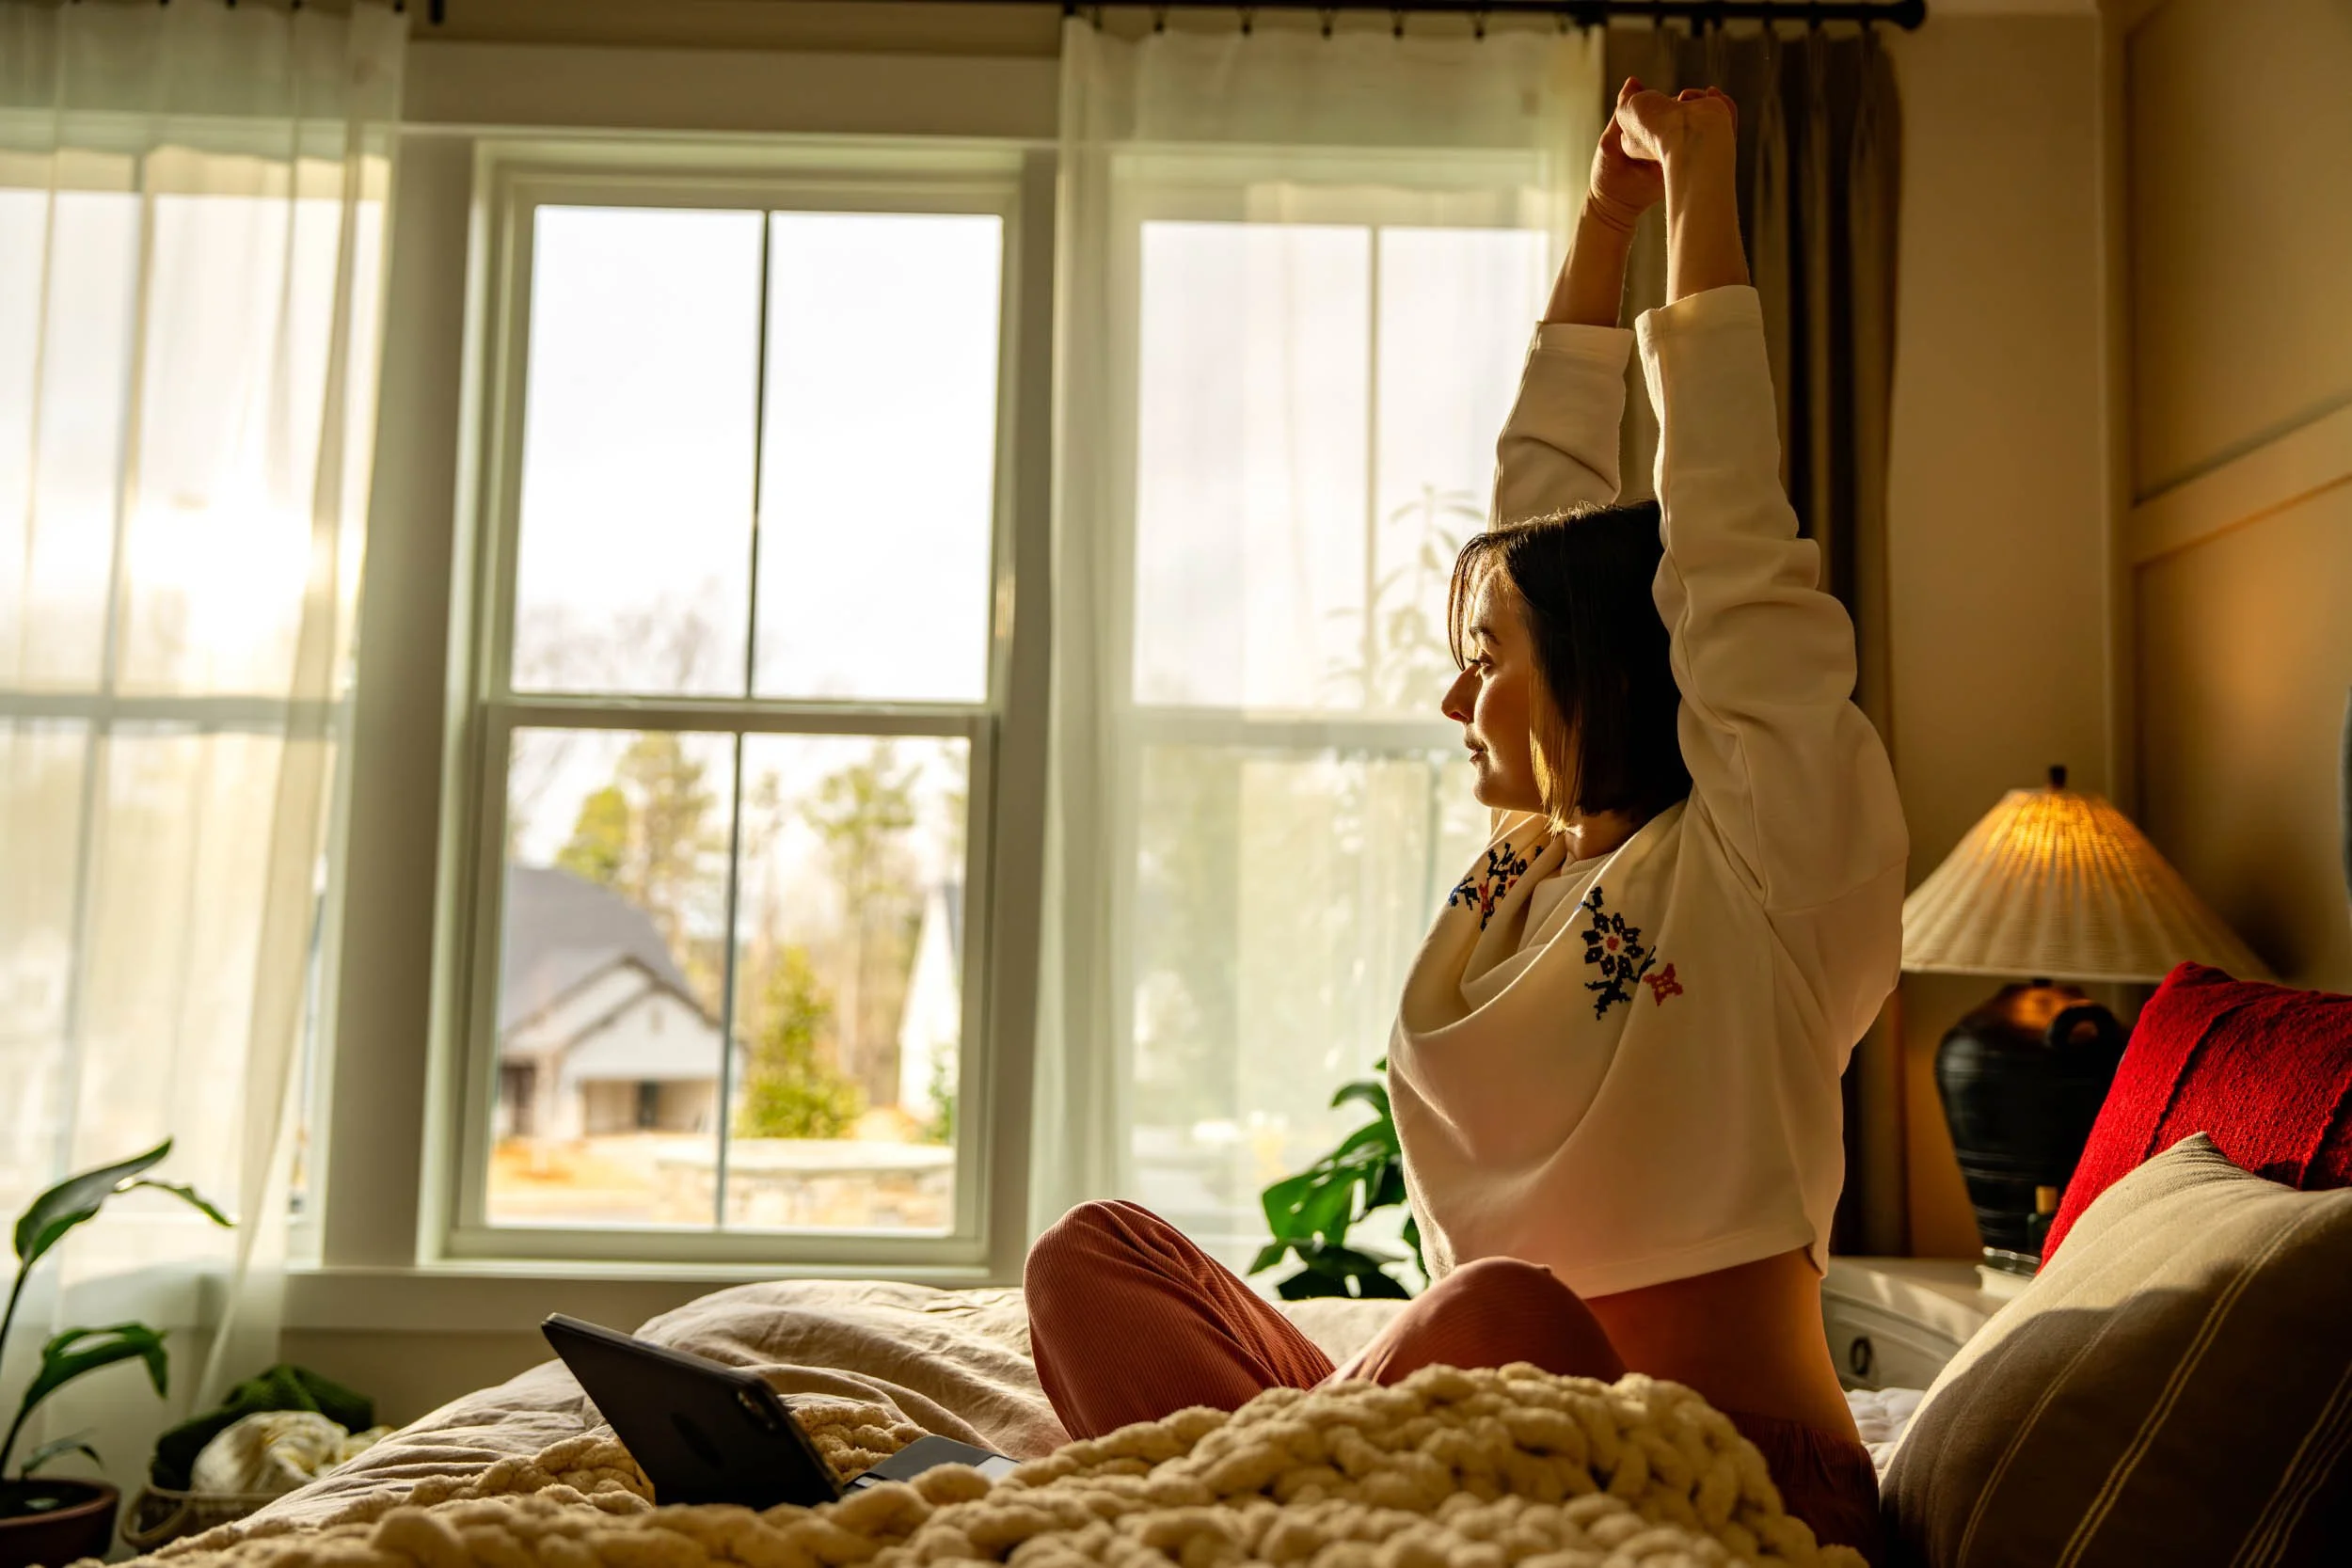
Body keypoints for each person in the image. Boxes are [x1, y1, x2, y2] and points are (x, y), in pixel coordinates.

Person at [1024, 78, 1908, 1560]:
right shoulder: (1515, 876)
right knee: (1089, 1258)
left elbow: (1730, 540)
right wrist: (1602, 220)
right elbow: (1539, 509)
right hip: (1454, 1430)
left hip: (1725, 1479)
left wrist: (1698, 188)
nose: (1454, 701)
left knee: (1498, 1313)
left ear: (1603, 673)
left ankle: (1235, 1508)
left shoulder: (1768, 855)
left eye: (1488, 665)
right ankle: (1271, 1508)